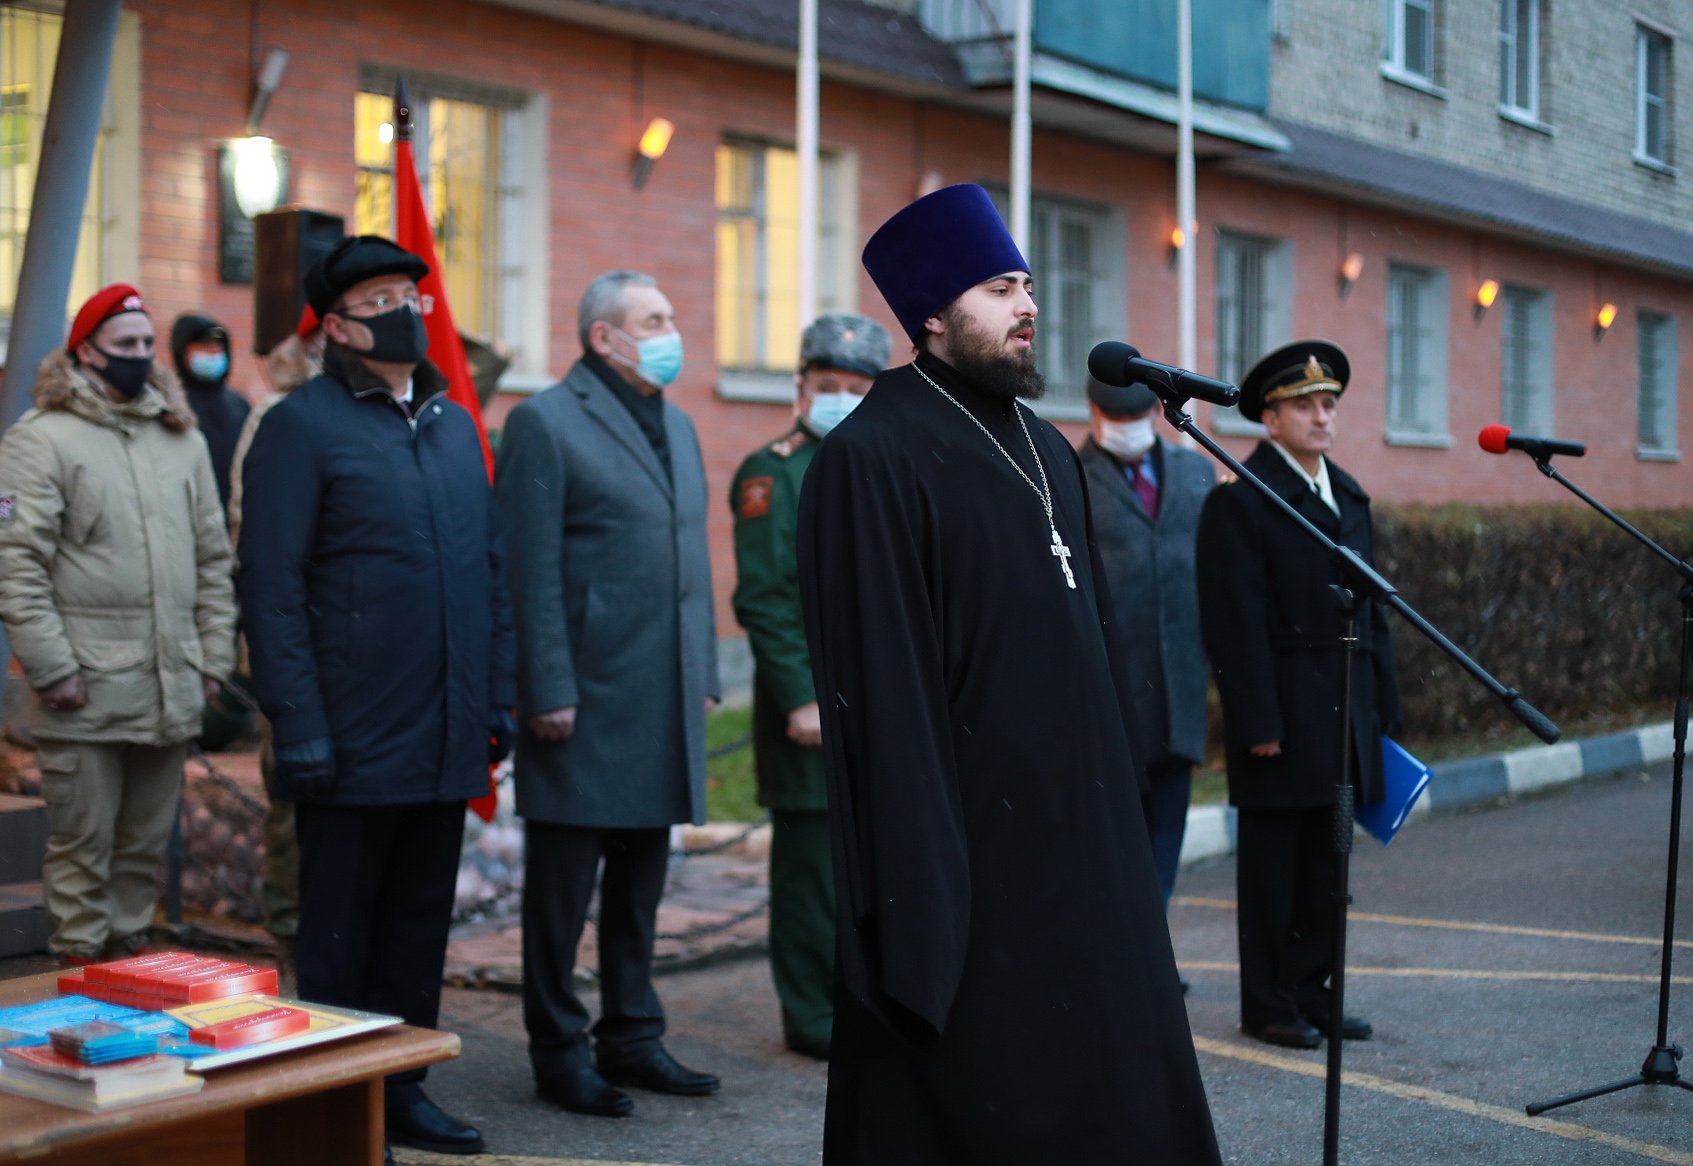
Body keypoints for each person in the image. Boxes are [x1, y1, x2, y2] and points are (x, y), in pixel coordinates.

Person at [797, 184, 1220, 1165]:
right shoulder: (871, 456)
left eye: (1026, 285)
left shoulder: (1044, 446)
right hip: (967, 850)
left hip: (1083, 833)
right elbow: (884, 691)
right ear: (932, 314)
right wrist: (919, 890)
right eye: (998, 288)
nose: (1027, 305)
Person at [238, 236, 515, 1157]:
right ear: (338, 326)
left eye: (413, 296)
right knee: (339, 935)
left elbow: (488, 573)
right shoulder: (300, 427)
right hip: (349, 735)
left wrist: (496, 701)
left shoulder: (452, 424)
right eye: (385, 298)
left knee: (415, 927)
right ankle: (336, 1104)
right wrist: (298, 723)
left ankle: (402, 1088)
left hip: (446, 728)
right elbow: (271, 588)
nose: (408, 312)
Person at [496, 270, 722, 1119]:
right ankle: (558, 1050)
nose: (670, 333)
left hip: (659, 695)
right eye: (653, 320)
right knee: (560, 896)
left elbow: (691, 568)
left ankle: (631, 1033)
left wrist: (702, 675)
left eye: (668, 317)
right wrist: (545, 688)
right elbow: (527, 569)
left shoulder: (679, 423)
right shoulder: (545, 422)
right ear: (603, 337)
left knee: (638, 886)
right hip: (583, 700)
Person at [0, 284, 236, 965]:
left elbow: (214, 558)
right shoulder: (40, 440)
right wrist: (52, 668)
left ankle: (128, 972)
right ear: (86, 351)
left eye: (146, 343)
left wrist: (213, 658)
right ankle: (78, 977)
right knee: (82, 850)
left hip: (170, 684)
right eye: (123, 344)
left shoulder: (182, 439)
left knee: (142, 851)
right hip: (84, 691)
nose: (139, 355)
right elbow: (16, 563)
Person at [1195, 340, 1402, 1050]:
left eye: (1329, 404)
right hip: (1281, 712)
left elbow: (1374, 612)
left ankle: (1314, 990)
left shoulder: (1347, 494)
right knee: (1273, 873)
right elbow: (1233, 623)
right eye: (1305, 405)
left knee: (1326, 865)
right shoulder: (1241, 500)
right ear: (1270, 419)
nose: (1321, 417)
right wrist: (1256, 720)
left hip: (1344, 708)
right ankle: (1268, 1003)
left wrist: (1384, 709)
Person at [730, 312, 890, 1062]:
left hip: (883, 696)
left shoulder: (884, 464)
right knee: (812, 871)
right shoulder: (773, 472)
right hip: (812, 703)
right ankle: (814, 1013)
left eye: (859, 386)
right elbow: (766, 597)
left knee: (878, 857)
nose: (843, 398)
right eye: (829, 384)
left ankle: (870, 996)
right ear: (801, 387)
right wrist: (800, 696)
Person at [1077, 376, 1214, 922]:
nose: (1128, 429)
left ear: (1157, 412)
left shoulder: (1193, 469)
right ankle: (1128, 950)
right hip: (1111, 696)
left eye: (1137, 418)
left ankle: (1153, 946)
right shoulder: (1071, 476)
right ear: (1094, 413)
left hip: (1179, 694)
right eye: (1116, 418)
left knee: (1165, 842)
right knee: (1114, 849)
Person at [228, 304, 325, 999]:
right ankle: (291, 939)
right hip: (296, 640)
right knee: (290, 798)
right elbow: (255, 530)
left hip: (360, 646)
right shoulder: (278, 415)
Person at [170, 312, 251, 517]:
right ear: (182, 351)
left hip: (236, 513)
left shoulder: (239, 405)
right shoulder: (171, 406)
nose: (213, 352)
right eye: (204, 345)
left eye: (218, 345)